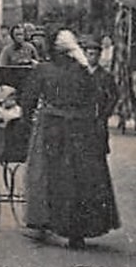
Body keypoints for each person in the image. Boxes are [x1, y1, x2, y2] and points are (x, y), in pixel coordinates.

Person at [21, 30, 120, 249]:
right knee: (80, 177)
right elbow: (99, 98)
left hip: (52, 128)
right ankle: (78, 231)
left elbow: (28, 101)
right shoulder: (83, 70)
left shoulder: (43, 69)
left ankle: (43, 222)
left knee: (46, 174)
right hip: (81, 129)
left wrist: (27, 121)